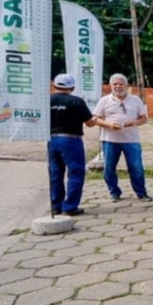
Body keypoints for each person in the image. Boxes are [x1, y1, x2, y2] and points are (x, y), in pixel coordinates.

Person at [93, 73, 152, 202]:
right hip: (110, 140)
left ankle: (141, 193)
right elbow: (95, 119)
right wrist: (109, 125)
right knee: (109, 168)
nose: (118, 86)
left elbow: (144, 118)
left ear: (126, 85)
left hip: (131, 140)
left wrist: (135, 122)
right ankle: (114, 192)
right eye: (115, 84)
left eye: (120, 84)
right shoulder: (104, 100)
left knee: (136, 167)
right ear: (110, 85)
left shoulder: (135, 100)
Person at [50, 74, 102, 216]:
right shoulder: (77, 101)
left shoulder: (47, 100)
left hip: (51, 140)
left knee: (55, 173)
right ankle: (70, 207)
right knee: (76, 172)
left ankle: (56, 206)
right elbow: (89, 123)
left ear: (54, 86)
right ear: (72, 88)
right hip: (71, 140)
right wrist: (96, 118)